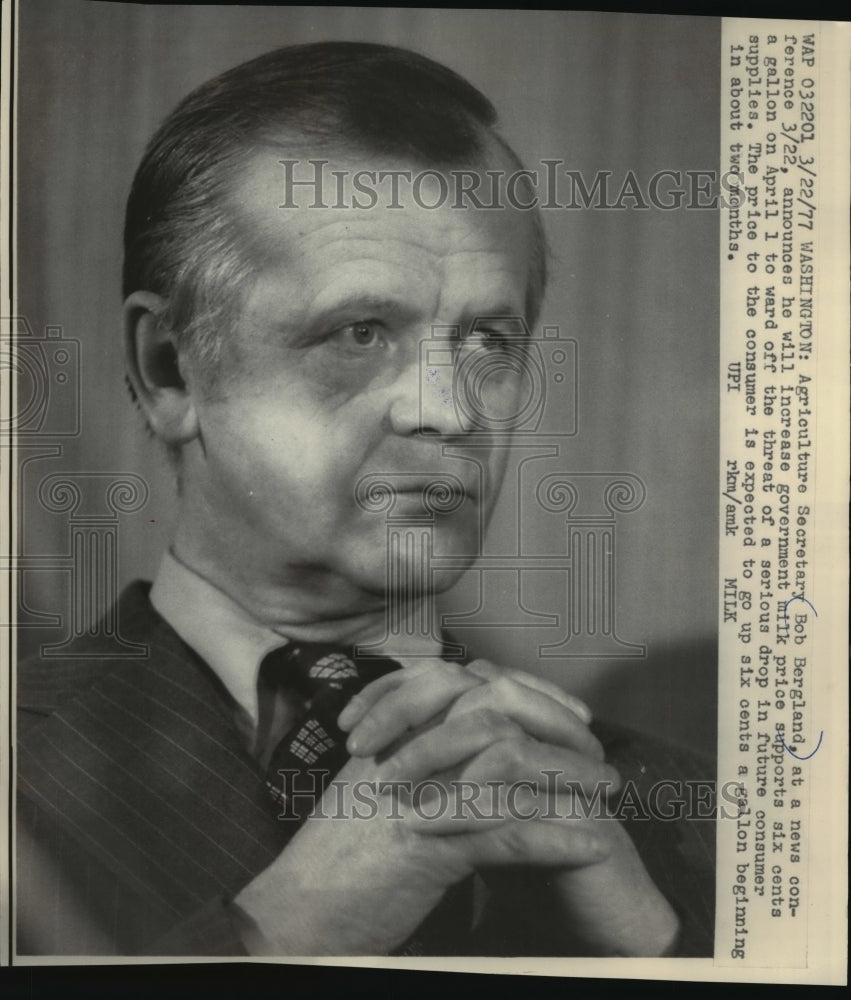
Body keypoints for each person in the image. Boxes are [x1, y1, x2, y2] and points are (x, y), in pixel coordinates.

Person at [16, 41, 714, 958]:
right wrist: (284, 933)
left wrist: (659, 953)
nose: (449, 409)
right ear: (168, 369)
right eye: (359, 332)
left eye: (488, 340)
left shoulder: (682, 816)